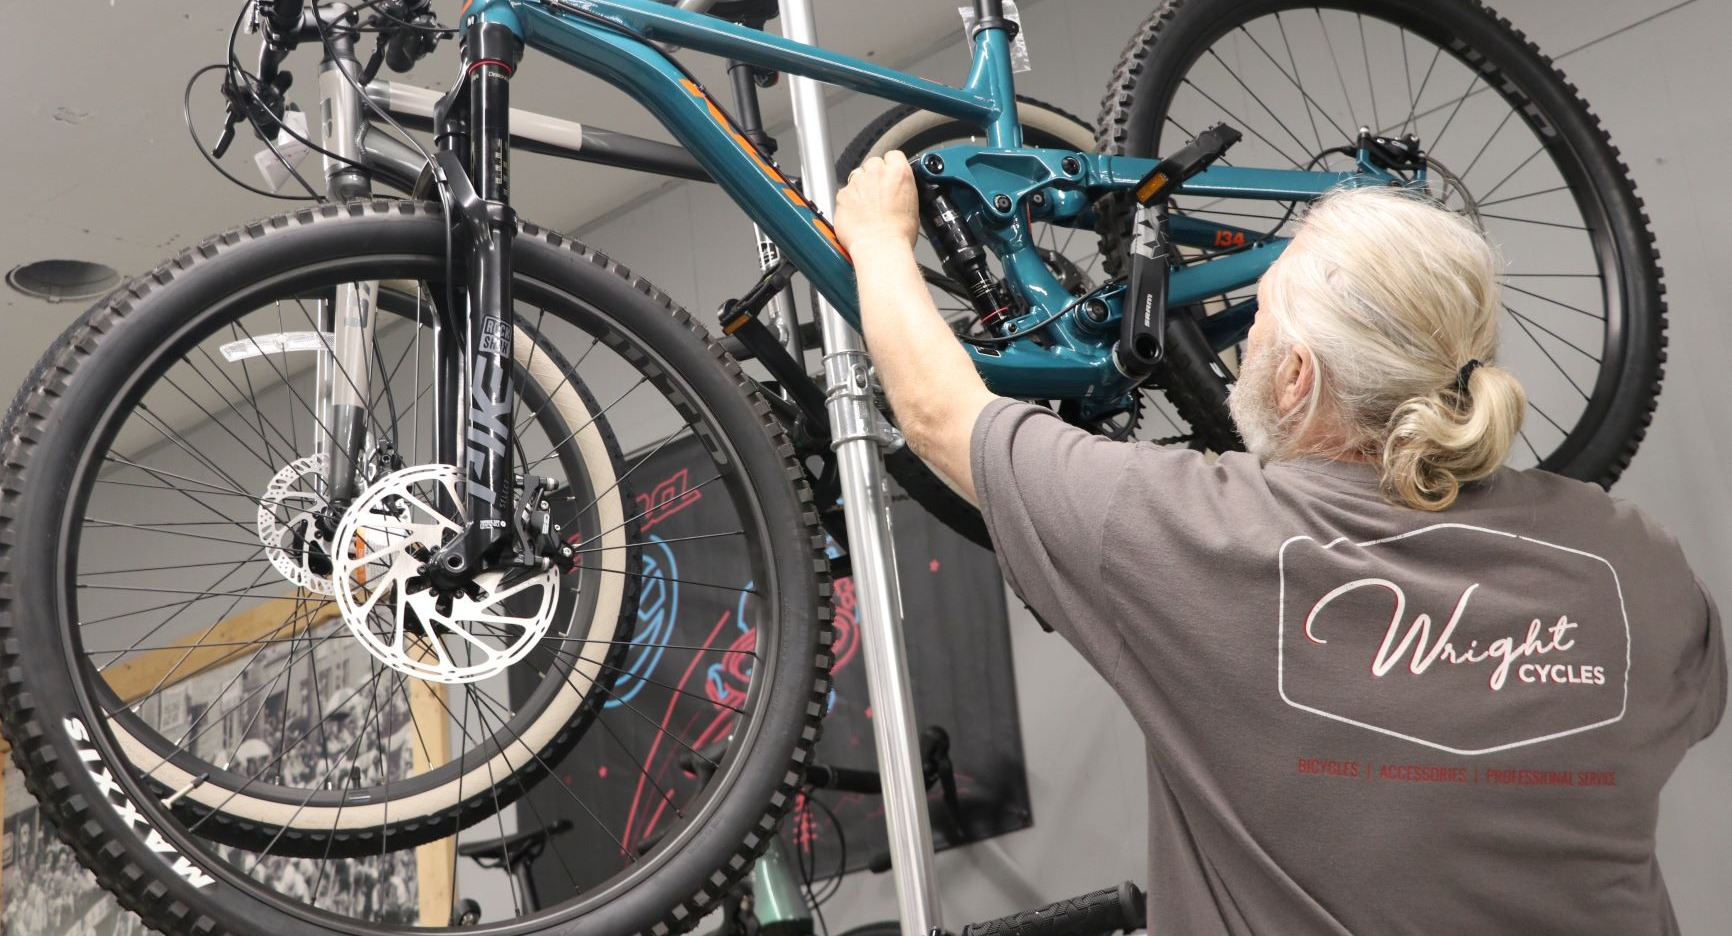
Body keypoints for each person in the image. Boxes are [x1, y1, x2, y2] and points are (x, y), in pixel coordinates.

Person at [832, 153, 1726, 936]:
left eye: (1257, 312)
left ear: (1296, 375)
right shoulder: (1637, 560)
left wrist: (877, 237)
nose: (1242, 333)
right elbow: (1693, 709)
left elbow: (942, 416)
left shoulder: (1199, 535)